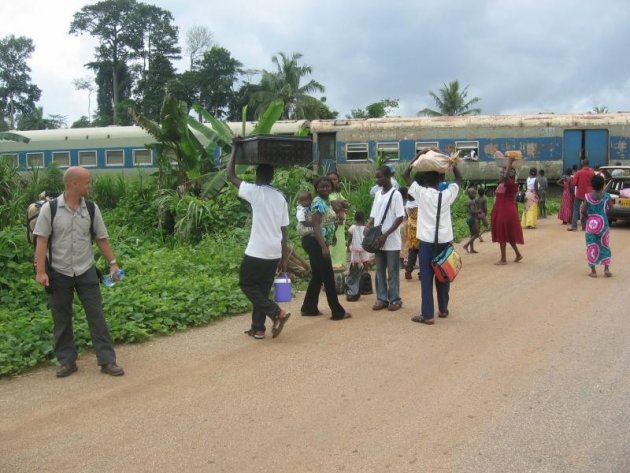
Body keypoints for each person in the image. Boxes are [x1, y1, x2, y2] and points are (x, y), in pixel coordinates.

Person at [33, 166, 124, 378]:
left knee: (97, 316)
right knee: (62, 319)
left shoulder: (91, 208)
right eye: (87, 182)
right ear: (74, 184)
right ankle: (67, 361)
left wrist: (113, 263)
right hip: (59, 272)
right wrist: (41, 271)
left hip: (86, 270)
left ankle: (107, 361)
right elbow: (42, 240)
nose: (89, 186)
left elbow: (101, 238)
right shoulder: (51, 209)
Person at [227, 148, 291, 340]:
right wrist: (283, 256)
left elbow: (230, 175)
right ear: (271, 177)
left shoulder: (255, 192)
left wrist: (235, 148)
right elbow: (284, 230)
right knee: (262, 290)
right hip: (273, 252)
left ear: (257, 175)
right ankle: (258, 328)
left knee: (246, 284)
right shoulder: (280, 197)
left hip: (257, 251)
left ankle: (276, 312)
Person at [403, 163, 463, 325]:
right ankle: (443, 309)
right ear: (439, 181)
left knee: (427, 279)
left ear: (425, 182)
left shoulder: (421, 194)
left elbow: (405, 175)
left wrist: (417, 157)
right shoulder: (447, 194)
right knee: (443, 275)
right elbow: (459, 179)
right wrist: (453, 164)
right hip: (445, 242)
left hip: (427, 243)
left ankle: (428, 314)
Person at [300, 176, 351, 320]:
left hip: (318, 241)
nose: (325, 188)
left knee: (317, 276)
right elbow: (316, 225)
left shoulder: (326, 201)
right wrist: (323, 247)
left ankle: (309, 308)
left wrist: (331, 237)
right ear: (316, 189)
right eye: (321, 187)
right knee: (328, 276)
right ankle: (337, 312)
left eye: (327, 186)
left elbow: (327, 222)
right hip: (314, 242)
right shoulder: (318, 203)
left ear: (332, 187)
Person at [367, 165, 405, 312]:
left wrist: (386, 235)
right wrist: (368, 225)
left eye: (379, 177)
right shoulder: (378, 195)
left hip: (391, 240)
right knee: (379, 270)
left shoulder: (396, 195)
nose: (377, 179)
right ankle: (382, 298)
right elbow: (373, 214)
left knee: (393, 271)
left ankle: (395, 299)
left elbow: (399, 217)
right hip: (378, 239)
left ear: (388, 177)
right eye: (376, 177)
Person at [490, 157, 524, 265]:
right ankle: (518, 254)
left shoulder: (511, 184)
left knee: (502, 233)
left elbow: (505, 177)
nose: (500, 175)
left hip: (506, 211)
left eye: (503, 173)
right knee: (507, 234)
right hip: (501, 210)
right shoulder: (502, 184)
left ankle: (503, 259)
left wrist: (509, 163)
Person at [582, 174, 612, 278]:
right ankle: (606, 269)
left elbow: (583, 210)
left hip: (591, 225)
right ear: (603, 184)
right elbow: (610, 210)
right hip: (603, 223)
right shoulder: (607, 196)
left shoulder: (588, 196)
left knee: (591, 246)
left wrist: (589, 217)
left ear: (592, 185)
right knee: (604, 245)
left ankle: (593, 271)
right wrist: (603, 215)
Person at [345, 211, 370, 301]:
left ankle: (354, 283)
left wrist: (348, 246)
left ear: (355, 218)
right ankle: (365, 283)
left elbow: (350, 238)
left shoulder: (352, 228)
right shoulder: (365, 228)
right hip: (364, 248)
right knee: (365, 264)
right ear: (363, 218)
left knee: (354, 267)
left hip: (355, 249)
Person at [326, 172, 348, 271]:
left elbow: (347, 204)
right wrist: (341, 203)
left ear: (338, 180)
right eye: (330, 179)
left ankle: (340, 265)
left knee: (340, 245)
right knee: (333, 246)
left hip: (340, 225)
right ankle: (333, 266)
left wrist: (341, 203)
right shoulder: (327, 193)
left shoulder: (338, 192)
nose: (333, 181)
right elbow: (336, 206)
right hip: (333, 224)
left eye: (335, 179)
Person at [569, 160, 594, 231]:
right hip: (589, 194)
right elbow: (594, 182)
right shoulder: (592, 172)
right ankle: (585, 226)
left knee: (576, 209)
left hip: (579, 193)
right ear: (588, 164)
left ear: (582, 164)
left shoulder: (578, 172)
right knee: (587, 209)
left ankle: (574, 226)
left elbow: (574, 183)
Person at [403, 182, 420, 280]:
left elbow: (406, 216)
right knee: (422, 251)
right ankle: (422, 272)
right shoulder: (418, 203)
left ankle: (409, 269)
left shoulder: (407, 204)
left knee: (412, 250)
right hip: (420, 228)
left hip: (411, 229)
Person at [462, 187, 481, 254]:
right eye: (474, 193)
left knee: (472, 234)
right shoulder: (472, 202)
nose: (475, 195)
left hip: (469, 219)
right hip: (472, 219)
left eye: (475, 193)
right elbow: (472, 211)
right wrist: (479, 211)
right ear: (470, 194)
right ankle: (466, 245)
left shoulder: (469, 201)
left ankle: (472, 249)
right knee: (476, 234)